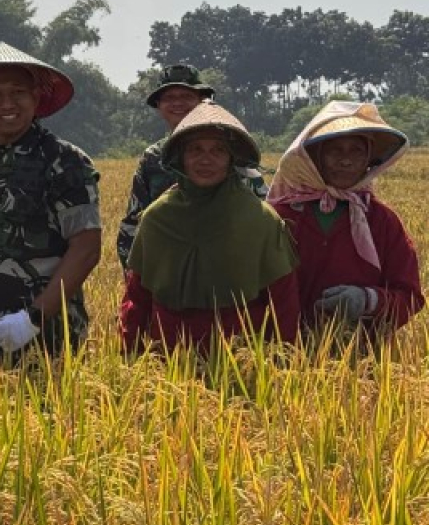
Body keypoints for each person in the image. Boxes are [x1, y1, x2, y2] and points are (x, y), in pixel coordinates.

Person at [0, 41, 101, 359]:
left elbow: (86, 248)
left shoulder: (64, 161)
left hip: (47, 333)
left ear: (36, 97)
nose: (6, 103)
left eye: (18, 92)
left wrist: (33, 319)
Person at [120, 102, 299, 351]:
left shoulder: (259, 220)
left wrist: (283, 360)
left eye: (218, 150)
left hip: (239, 362)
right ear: (181, 158)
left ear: (231, 159)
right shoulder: (157, 218)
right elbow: (136, 299)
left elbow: (284, 301)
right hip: (168, 361)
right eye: (195, 150)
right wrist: (128, 354)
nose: (206, 159)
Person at [269, 101, 421, 342]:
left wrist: (367, 300)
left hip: (362, 360)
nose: (346, 161)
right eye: (335, 151)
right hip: (286, 356)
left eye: (356, 151)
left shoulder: (381, 221)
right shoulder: (281, 216)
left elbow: (409, 297)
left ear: (368, 161)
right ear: (315, 158)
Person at [117, 64, 267, 270]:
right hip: (167, 273)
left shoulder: (235, 150)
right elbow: (134, 224)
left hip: (229, 270)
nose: (177, 103)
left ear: (203, 101)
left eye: (186, 96)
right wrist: (136, 276)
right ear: (159, 105)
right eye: (169, 98)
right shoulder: (152, 158)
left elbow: (263, 216)